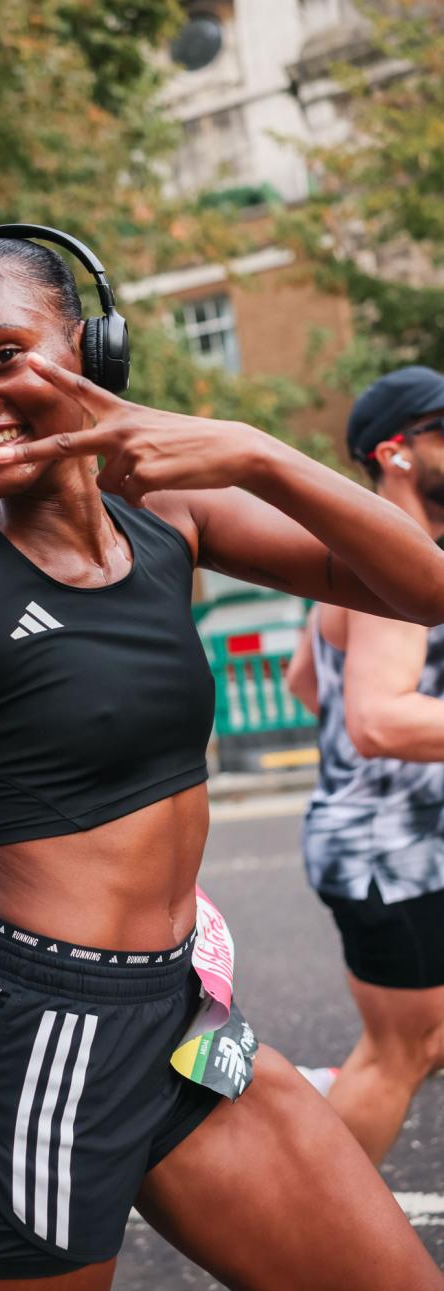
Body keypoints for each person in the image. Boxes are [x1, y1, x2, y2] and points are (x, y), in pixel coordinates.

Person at [0, 229, 444, 1291]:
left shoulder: (168, 516)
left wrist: (255, 451)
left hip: (182, 1019)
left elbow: (424, 590)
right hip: (36, 1046)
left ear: (92, 351)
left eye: (1, 356)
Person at [287, 366, 444, 1165]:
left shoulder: (363, 549)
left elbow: (304, 679)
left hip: (383, 840)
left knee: (421, 1040)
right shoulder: (399, 556)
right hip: (388, 852)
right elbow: (377, 718)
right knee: (401, 1053)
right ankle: (307, 1215)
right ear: (397, 453)